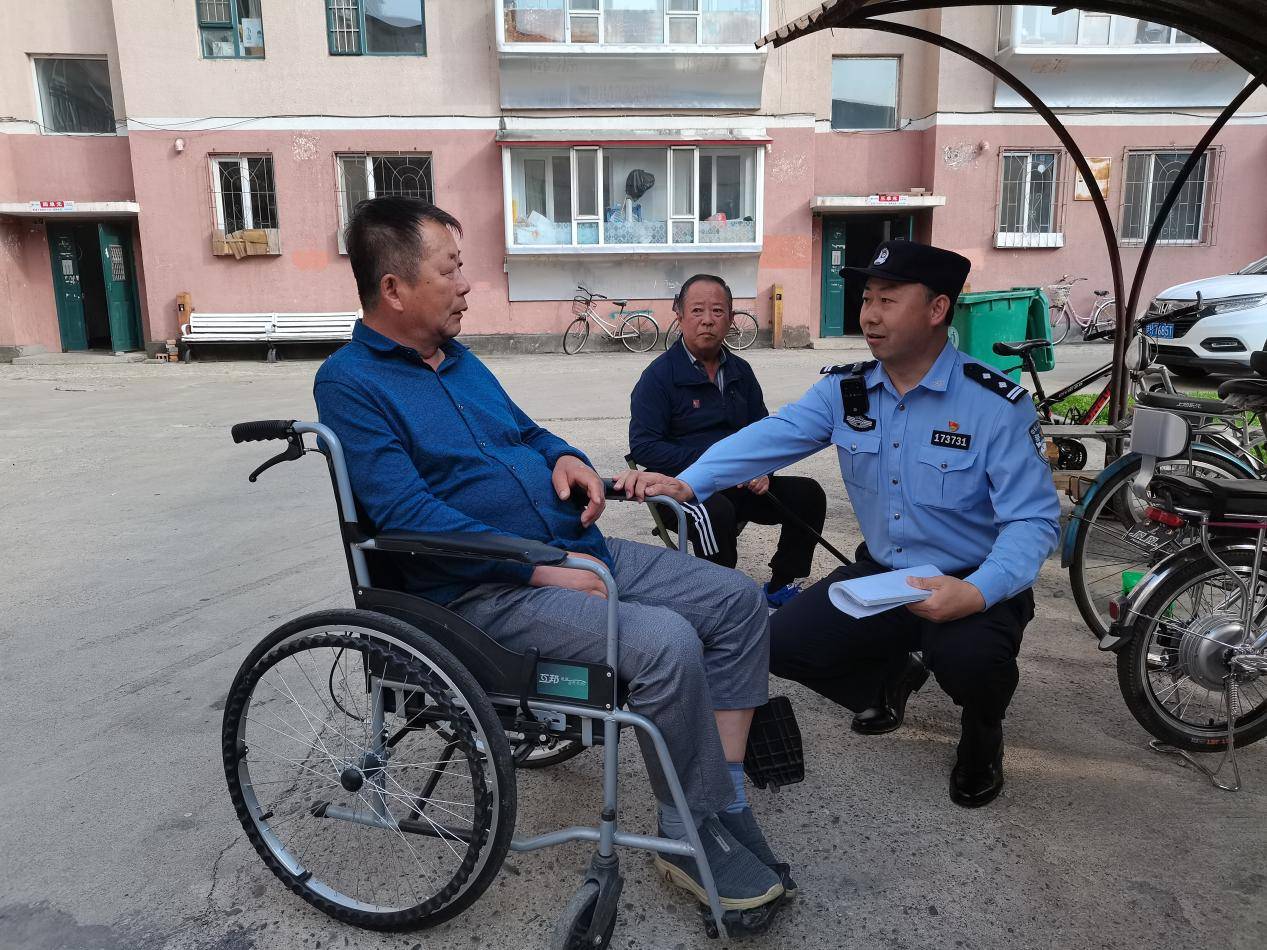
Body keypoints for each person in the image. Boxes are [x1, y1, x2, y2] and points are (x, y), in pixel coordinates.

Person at [313, 196, 792, 915]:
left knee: (739, 603)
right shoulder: (351, 382)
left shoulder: (461, 362)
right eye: (451, 270)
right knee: (664, 642)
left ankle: (721, 802)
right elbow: (406, 514)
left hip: (573, 546)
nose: (467, 284)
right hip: (481, 593)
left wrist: (566, 457)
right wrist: (537, 569)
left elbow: (529, 435)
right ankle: (689, 828)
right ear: (394, 288)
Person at [615, 240, 1061, 808]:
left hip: (970, 577)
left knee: (972, 662)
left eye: (888, 300)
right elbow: (770, 436)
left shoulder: (995, 405)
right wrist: (691, 482)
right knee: (776, 644)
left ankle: (982, 734)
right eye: (867, 299)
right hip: (884, 575)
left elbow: (1034, 520)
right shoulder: (846, 390)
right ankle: (889, 680)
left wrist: (977, 592)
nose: (869, 315)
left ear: (937, 309)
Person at [629, 274, 827, 608]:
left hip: (741, 483)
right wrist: (716, 465)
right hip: (681, 488)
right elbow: (644, 447)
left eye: (717, 311)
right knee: (715, 512)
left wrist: (763, 470)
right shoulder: (658, 378)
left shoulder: (741, 372)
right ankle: (720, 599)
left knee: (808, 495)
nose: (707, 320)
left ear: (731, 318)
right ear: (679, 315)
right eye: (697, 310)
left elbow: (765, 434)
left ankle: (781, 584)